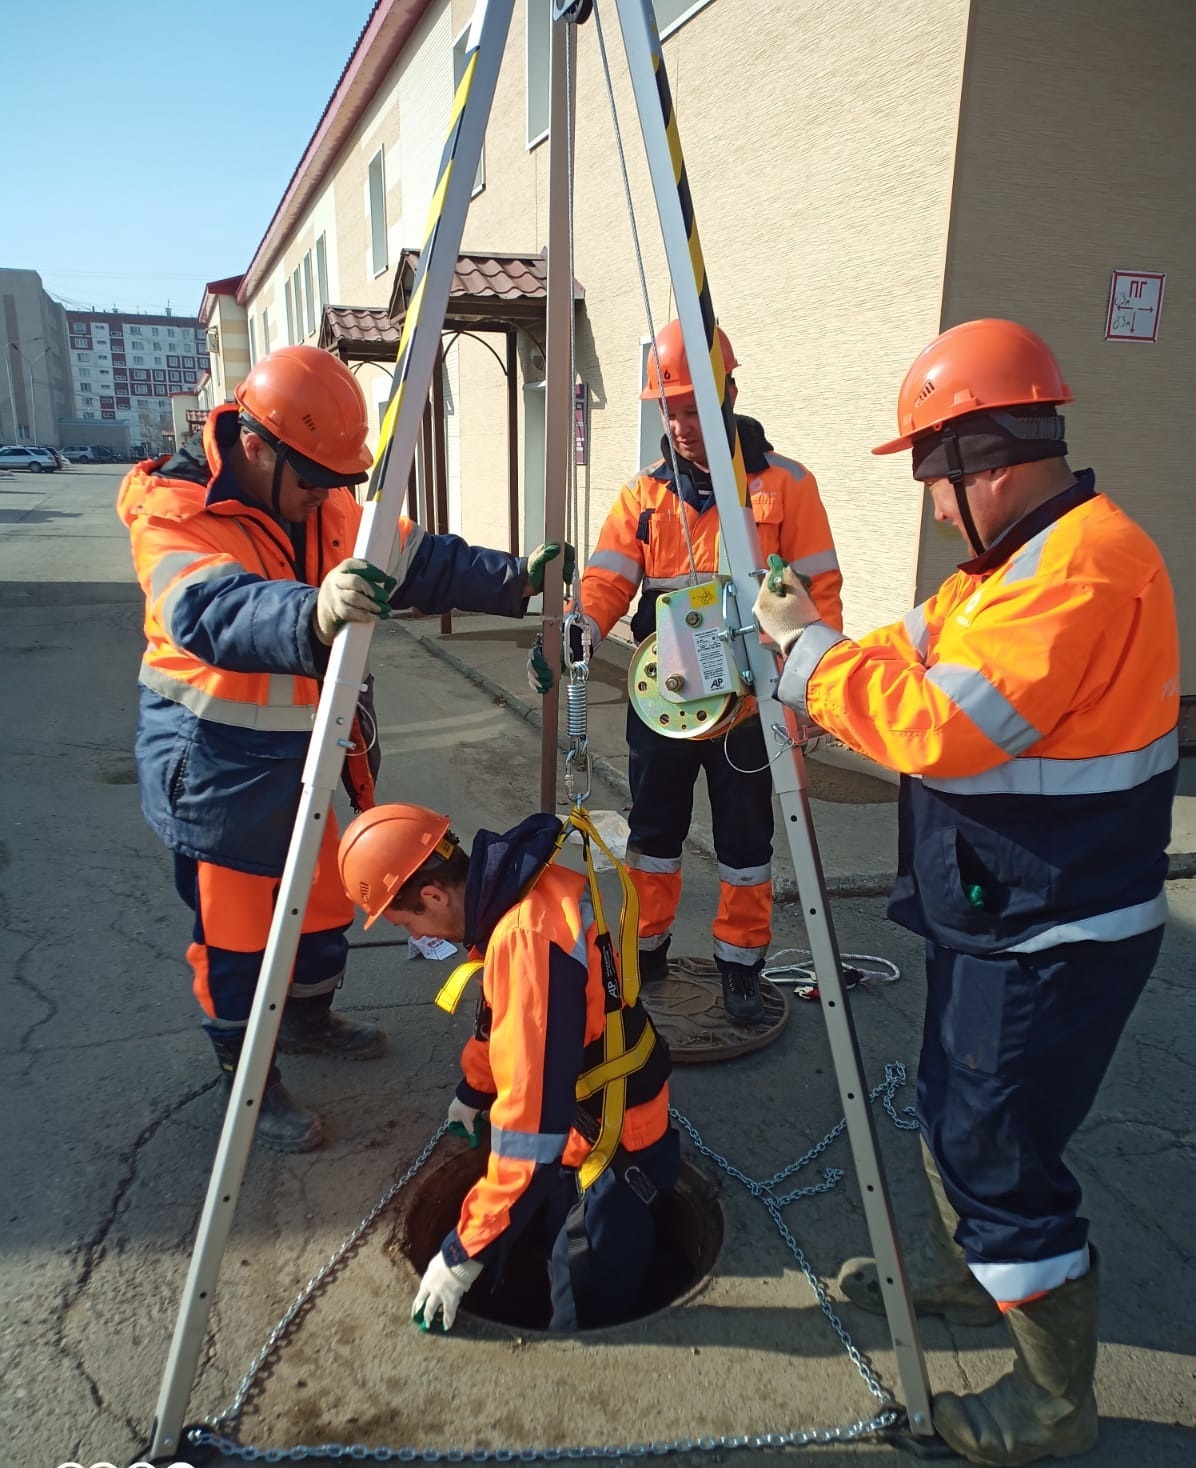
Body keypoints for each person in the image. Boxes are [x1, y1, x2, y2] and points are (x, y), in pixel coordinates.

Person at [752, 318, 1179, 1468]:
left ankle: (1050, 1401)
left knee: (996, 1145)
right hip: (1002, 908)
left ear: (984, 457)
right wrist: (823, 645)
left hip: (1057, 924)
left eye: (937, 479)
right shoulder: (1008, 568)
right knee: (950, 1098)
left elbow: (937, 725)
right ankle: (964, 1267)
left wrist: (803, 663)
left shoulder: (1083, 568)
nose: (935, 506)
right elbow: (905, 653)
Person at [120, 345, 572, 1155]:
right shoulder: (174, 510)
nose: (330, 496)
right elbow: (207, 611)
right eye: (316, 479)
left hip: (309, 757)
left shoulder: (319, 502)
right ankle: (246, 1084)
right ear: (258, 448)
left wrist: (516, 582)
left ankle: (309, 1020)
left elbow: (421, 561)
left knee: (327, 902)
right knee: (237, 937)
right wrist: (310, 612)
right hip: (217, 768)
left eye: (338, 481)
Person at [531, 319, 842, 1024]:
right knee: (654, 834)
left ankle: (740, 965)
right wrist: (573, 630)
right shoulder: (642, 496)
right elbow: (607, 582)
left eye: (694, 407)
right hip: (664, 699)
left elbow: (817, 598)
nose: (681, 424)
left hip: (748, 703)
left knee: (745, 841)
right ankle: (647, 948)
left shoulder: (785, 486)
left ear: (728, 391)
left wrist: (806, 696)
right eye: (669, 410)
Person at [337, 803, 678, 1332]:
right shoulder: (519, 892)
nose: (417, 938)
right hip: (592, 1120)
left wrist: (463, 1252)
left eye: (409, 922)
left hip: (610, 1152)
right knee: (549, 1239)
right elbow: (502, 1020)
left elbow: (531, 1130)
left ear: (432, 894)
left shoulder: (526, 943)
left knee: (586, 1306)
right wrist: (475, 1090)